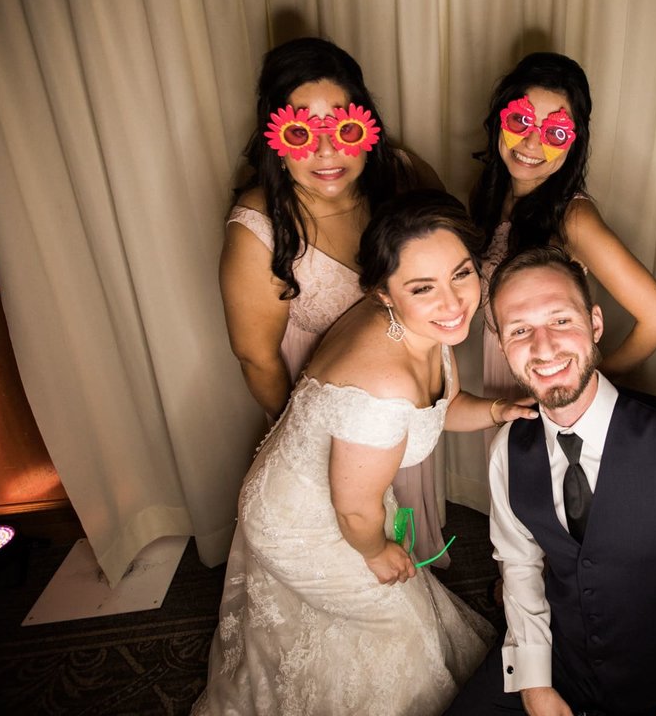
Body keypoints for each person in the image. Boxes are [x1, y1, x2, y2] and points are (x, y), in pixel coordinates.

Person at [194, 190, 536, 716]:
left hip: (341, 494)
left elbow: (442, 407)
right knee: (391, 619)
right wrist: (376, 551)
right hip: (304, 520)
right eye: (424, 287)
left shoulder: (423, 326)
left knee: (372, 614)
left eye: (462, 274)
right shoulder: (384, 385)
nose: (453, 302)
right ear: (383, 292)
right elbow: (355, 509)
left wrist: (494, 412)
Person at [448, 247, 656, 716]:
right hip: (556, 664)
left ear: (595, 323)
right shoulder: (507, 451)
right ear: (502, 347)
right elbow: (518, 568)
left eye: (561, 321)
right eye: (520, 330)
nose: (543, 348)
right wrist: (534, 683)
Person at [219, 36, 451, 563]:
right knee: (349, 530)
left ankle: (416, 566)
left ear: (367, 125)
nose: (326, 152)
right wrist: (311, 441)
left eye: (344, 128)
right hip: (324, 412)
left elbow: (448, 254)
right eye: (302, 132)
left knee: (403, 515)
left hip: (406, 393)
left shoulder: (403, 174)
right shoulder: (259, 227)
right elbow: (256, 356)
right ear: (274, 136)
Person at [469, 52, 656, 420]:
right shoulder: (491, 193)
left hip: (549, 377)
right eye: (521, 120)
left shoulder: (573, 218)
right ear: (500, 120)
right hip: (504, 367)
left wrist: (588, 379)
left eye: (555, 132)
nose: (531, 144)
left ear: (573, 142)